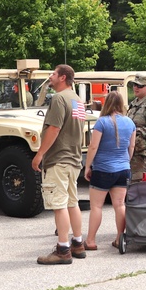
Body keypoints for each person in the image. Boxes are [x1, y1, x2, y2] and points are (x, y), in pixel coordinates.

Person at [31, 64, 87, 265]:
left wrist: (39, 155)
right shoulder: (78, 100)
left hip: (59, 159)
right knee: (73, 202)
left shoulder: (58, 99)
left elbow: (54, 128)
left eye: (53, 74)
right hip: (74, 158)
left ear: (63, 77)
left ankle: (63, 249)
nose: (50, 76)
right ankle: (78, 243)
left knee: (59, 204)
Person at [83, 91, 136, 250]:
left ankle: (91, 241)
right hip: (123, 169)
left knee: (96, 207)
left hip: (103, 169)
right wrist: (126, 161)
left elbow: (93, 146)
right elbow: (131, 146)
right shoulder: (130, 123)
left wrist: (87, 166)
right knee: (120, 205)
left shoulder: (102, 122)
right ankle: (120, 238)